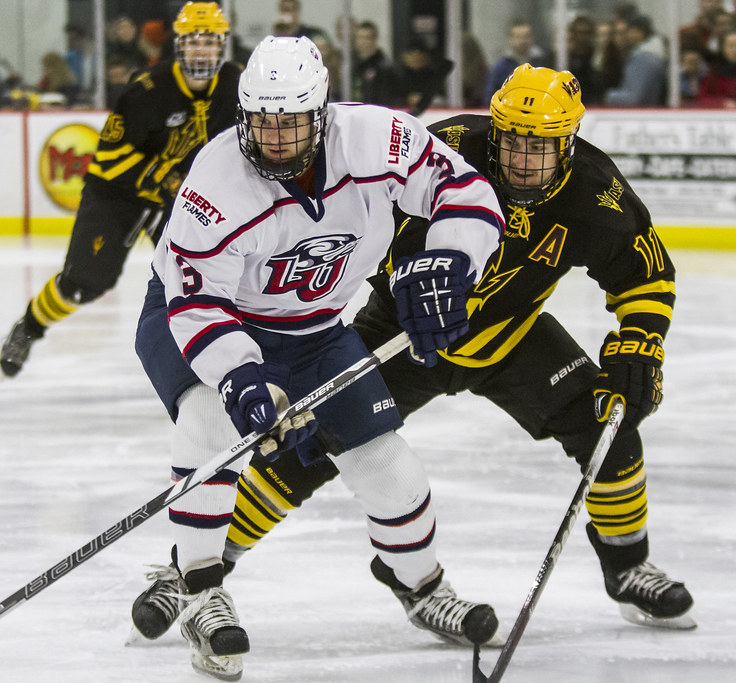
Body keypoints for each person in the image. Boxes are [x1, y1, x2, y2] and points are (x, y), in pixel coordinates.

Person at [131, 64, 696, 647]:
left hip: (510, 335)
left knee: (609, 428)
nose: (522, 158)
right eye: (511, 140)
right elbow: (361, 222)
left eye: (540, 147)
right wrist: (407, 274)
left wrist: (640, 347)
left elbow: (645, 276)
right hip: (406, 330)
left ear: (569, 143)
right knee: (306, 446)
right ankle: (197, 568)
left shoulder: (597, 194)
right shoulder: (453, 144)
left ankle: (628, 568)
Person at [130, 34, 506, 680]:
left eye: (291, 121)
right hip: (200, 318)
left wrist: (451, 256)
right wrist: (242, 380)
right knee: (209, 422)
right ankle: (199, 589)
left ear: (322, 112)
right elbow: (199, 303)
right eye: (262, 121)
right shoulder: (215, 182)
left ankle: (422, 587)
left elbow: (466, 192)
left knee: (388, 460)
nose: (275, 137)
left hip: (316, 332)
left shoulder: (376, 140)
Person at [0, 2, 242, 378]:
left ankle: (210, 359)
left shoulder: (234, 86)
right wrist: (163, 176)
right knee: (84, 284)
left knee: (203, 280)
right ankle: (28, 327)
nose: (201, 50)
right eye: (193, 41)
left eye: (209, 42)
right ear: (178, 45)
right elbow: (107, 160)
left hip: (178, 204)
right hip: (118, 197)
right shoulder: (147, 90)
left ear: (222, 46)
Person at [604, 14, 667, 106]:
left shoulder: (643, 59)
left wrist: (609, 96)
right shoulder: (652, 56)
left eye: (629, 31)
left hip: (640, 116)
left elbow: (634, 98)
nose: (627, 36)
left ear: (639, 33)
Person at [484, 20, 550, 102]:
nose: (522, 41)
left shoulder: (543, 63)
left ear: (532, 38)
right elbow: (490, 95)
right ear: (510, 39)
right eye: (518, 37)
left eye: (526, 36)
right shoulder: (500, 67)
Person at [696, 30, 736, 108]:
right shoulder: (715, 72)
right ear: (724, 49)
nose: (735, 49)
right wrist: (722, 103)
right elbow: (702, 99)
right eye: (731, 45)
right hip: (721, 117)